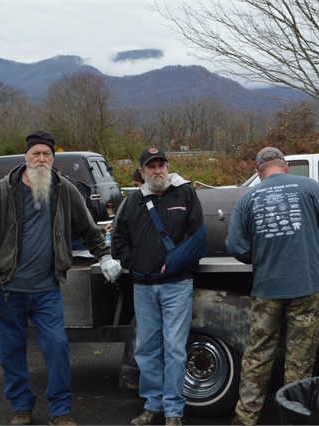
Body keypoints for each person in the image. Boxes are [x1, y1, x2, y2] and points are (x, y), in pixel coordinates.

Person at [0, 130, 123, 426]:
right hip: (7, 290)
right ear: (26, 157)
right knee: (10, 352)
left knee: (56, 347)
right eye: (36, 154)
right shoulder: (3, 191)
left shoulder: (63, 189)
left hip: (46, 291)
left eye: (47, 154)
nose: (41, 159)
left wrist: (104, 256)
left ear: (53, 159)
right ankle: (21, 407)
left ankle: (60, 410)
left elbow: (89, 228)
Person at [226, 147, 319, 425]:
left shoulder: (247, 197)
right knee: (299, 362)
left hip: (267, 289)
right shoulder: (310, 187)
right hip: (308, 286)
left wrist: (262, 254)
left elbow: (235, 245)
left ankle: (245, 418)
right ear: (285, 167)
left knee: (258, 356)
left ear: (258, 173)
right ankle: (293, 418)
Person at [112, 147, 205, 426]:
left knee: (175, 349)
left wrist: (175, 262)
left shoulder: (185, 194)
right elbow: (119, 240)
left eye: (161, 165)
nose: (157, 171)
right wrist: (136, 263)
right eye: (150, 167)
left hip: (177, 286)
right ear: (142, 172)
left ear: (167, 167)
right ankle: (152, 406)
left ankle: (174, 411)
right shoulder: (133, 202)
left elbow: (198, 238)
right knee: (146, 349)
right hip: (142, 287)